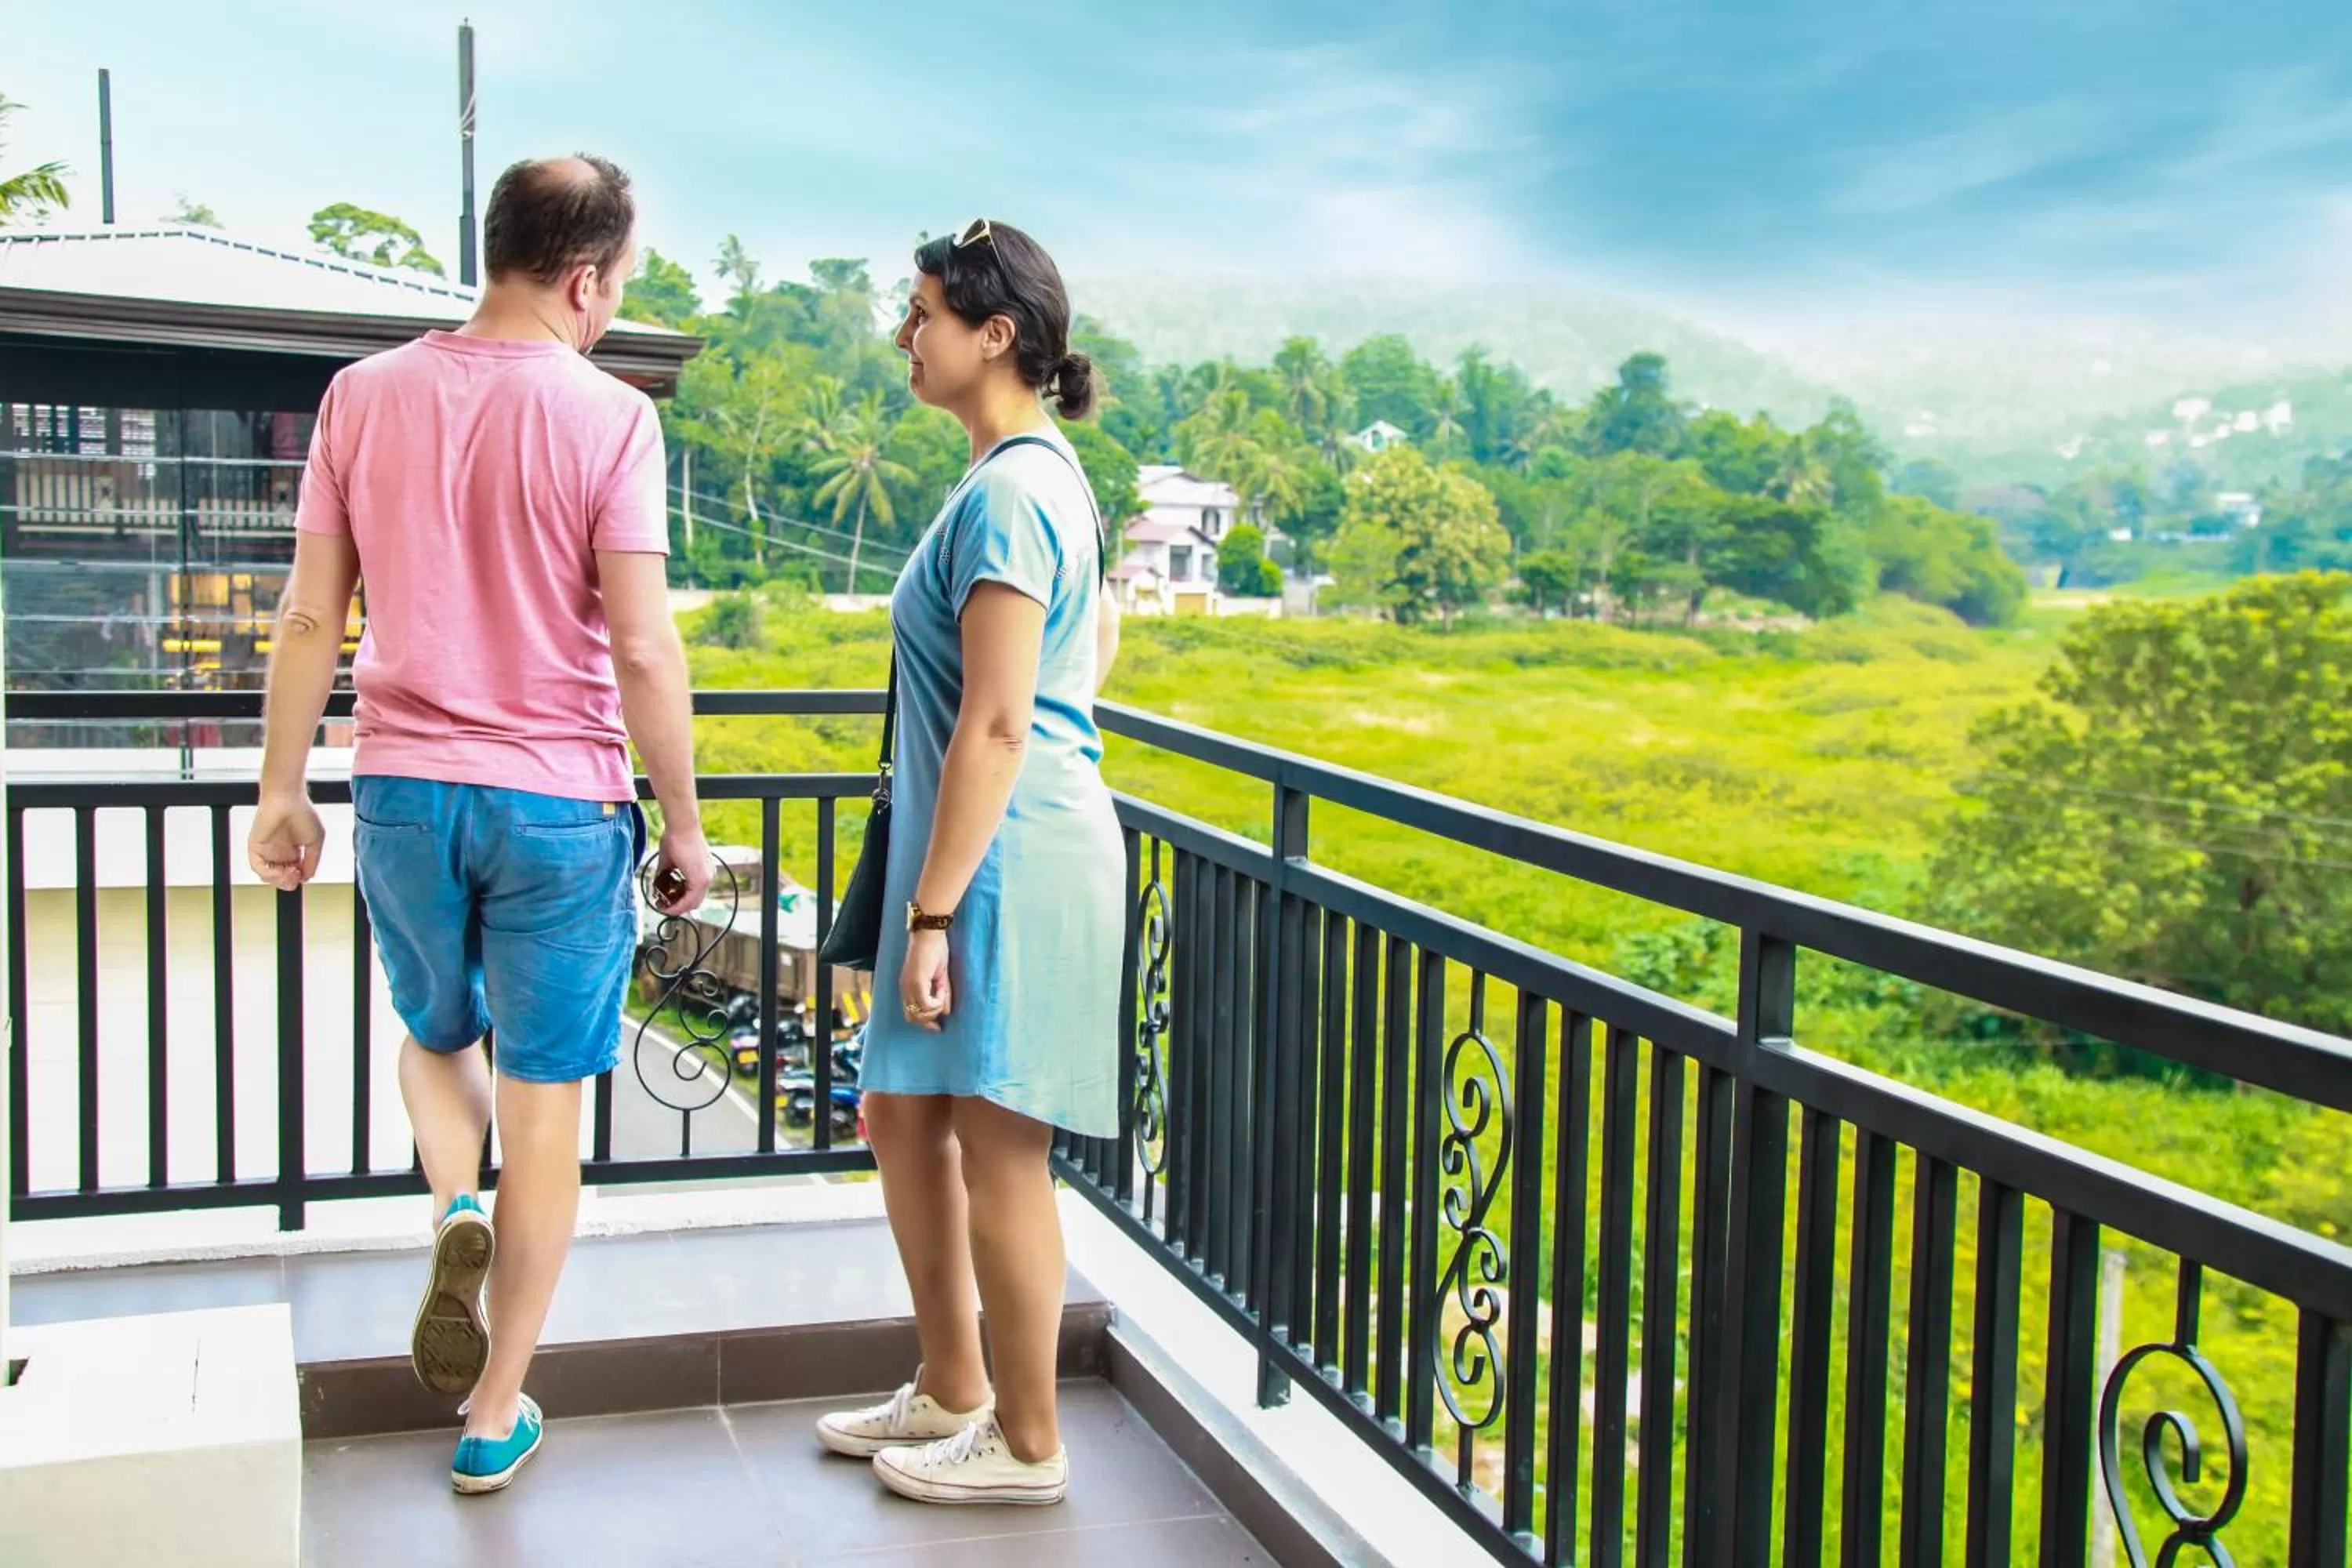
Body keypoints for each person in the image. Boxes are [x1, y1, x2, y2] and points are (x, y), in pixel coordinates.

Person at [246, 154, 710, 1496]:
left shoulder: (361, 395)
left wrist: (280, 790)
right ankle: (494, 1410)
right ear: (587, 280)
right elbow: (642, 646)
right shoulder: (610, 417)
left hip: (403, 789)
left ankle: (457, 1199)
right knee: (546, 1099)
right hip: (559, 801)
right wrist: (682, 825)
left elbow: (310, 614)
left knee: (436, 1036)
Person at [814, 219, 1122, 1507]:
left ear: (995, 336)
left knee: (1000, 1146)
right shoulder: (1020, 477)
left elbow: (1000, 723)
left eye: (923, 313)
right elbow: (1074, 666)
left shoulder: (1012, 493)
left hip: (1006, 861)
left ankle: (1030, 1446)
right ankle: (954, 1385)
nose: (904, 333)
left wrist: (931, 913)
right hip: (979, 847)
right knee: (901, 1114)